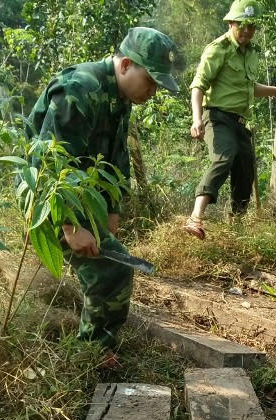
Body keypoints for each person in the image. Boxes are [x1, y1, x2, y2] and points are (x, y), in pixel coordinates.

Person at [26, 27, 178, 364]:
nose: (153, 91)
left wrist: (111, 214)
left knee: (110, 259)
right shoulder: (79, 89)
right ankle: (90, 353)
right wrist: (69, 226)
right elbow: (49, 162)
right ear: (125, 65)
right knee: (111, 269)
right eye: (150, 81)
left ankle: (98, 345)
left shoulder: (120, 97)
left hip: (81, 194)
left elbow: (115, 161)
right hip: (50, 197)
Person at [184, 0, 276, 239]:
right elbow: (198, 86)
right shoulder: (219, 49)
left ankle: (236, 226)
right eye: (242, 25)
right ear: (231, 23)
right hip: (216, 117)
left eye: (251, 26)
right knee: (224, 156)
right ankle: (195, 218)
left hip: (239, 122)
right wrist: (196, 119)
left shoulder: (251, 52)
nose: (247, 30)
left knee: (246, 169)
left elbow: (249, 88)